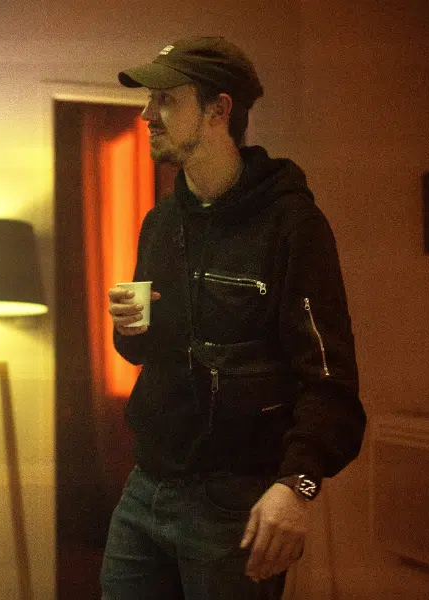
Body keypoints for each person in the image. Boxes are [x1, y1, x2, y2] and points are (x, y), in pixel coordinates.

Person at [101, 37, 366, 600]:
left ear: (218, 110)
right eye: (150, 99)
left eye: (166, 99)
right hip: (146, 487)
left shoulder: (291, 223)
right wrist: (129, 330)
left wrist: (298, 486)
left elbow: (330, 382)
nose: (147, 114)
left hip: (233, 503)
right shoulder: (160, 222)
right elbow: (145, 353)